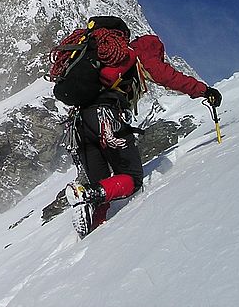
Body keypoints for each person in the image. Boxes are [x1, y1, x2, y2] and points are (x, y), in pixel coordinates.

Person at [58, 17, 223, 237]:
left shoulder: (94, 56)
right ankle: (86, 194)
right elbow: (168, 77)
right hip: (105, 118)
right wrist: (204, 91)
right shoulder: (137, 51)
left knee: (104, 184)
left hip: (78, 127)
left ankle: (94, 233)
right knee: (132, 178)